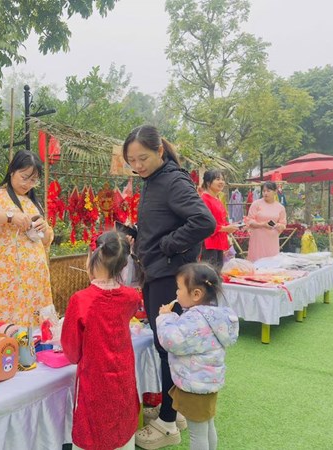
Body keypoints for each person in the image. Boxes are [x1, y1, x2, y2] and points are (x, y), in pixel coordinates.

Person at [122, 125, 216, 449]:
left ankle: (166, 423)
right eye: (132, 161)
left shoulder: (173, 180)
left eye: (143, 158)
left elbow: (204, 221)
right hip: (156, 271)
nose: (138, 165)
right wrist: (141, 236)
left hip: (169, 275)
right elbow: (166, 221)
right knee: (165, 346)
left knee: (168, 347)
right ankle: (174, 410)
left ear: (159, 151)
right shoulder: (153, 180)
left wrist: (167, 245)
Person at [61, 231, 143, 450]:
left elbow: (71, 352)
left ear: (92, 257)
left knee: (93, 431)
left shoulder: (81, 300)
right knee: (122, 424)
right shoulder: (131, 297)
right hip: (123, 374)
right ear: (122, 265)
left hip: (94, 379)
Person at [157, 263, 239, 450]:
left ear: (196, 294)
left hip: (194, 386)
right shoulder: (212, 316)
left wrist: (165, 317)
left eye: (179, 288)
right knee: (207, 426)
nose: (176, 293)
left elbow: (172, 340)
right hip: (207, 383)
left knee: (197, 434)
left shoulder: (195, 319)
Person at [0, 150, 54, 328]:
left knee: (35, 327)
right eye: (24, 177)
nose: (27, 184)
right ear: (12, 171)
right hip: (8, 277)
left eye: (33, 180)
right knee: (7, 325)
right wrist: (10, 216)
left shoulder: (34, 203)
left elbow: (46, 241)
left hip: (36, 278)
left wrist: (45, 229)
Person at [200, 170, 241, 271]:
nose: (221, 182)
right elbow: (205, 224)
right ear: (208, 183)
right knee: (210, 273)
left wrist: (232, 226)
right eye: (218, 179)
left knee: (218, 272)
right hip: (209, 243)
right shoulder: (204, 199)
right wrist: (225, 228)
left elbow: (221, 220)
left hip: (219, 242)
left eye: (222, 179)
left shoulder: (216, 199)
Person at [246, 181, 287, 262]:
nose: (265, 193)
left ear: (275, 191)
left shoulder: (280, 207)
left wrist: (279, 226)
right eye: (264, 191)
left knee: (272, 263)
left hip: (272, 239)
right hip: (258, 239)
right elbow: (249, 221)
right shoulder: (256, 204)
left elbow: (283, 224)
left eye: (268, 191)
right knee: (257, 262)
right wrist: (262, 225)